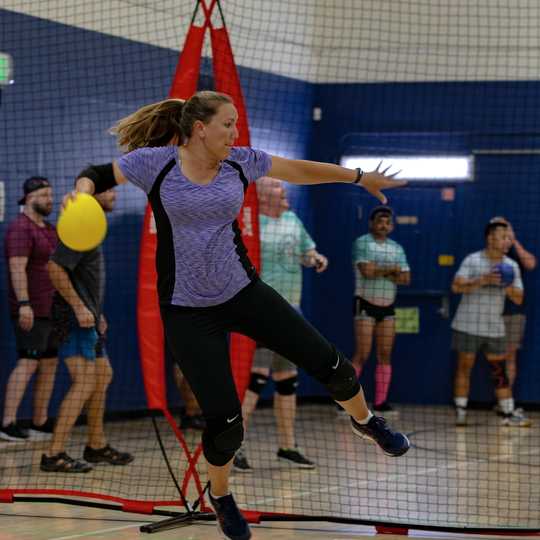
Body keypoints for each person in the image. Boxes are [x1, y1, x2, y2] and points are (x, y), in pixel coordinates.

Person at [66, 91, 409, 540]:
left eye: (236, 124)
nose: (235, 132)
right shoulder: (157, 163)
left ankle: (366, 421)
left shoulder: (241, 162)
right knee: (226, 424)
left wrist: (359, 177)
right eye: (227, 124)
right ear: (200, 128)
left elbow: (299, 170)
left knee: (334, 367)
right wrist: (83, 193)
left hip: (242, 293)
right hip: (187, 311)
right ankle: (222, 497)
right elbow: (95, 174)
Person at [233, 177, 328, 473]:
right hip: (262, 311)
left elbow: (305, 251)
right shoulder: (251, 225)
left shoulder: (293, 220)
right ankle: (234, 446)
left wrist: (315, 258)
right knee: (256, 378)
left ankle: (287, 446)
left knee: (287, 379)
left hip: (291, 310)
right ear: (261, 195)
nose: (284, 190)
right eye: (276, 187)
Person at [40, 189, 134, 472]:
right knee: (85, 382)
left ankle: (96, 445)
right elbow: (55, 268)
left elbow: (78, 275)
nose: (115, 195)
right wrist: (81, 308)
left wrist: (95, 311)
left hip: (88, 317)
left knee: (103, 375)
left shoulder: (91, 225)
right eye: (109, 189)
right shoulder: (80, 222)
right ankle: (53, 454)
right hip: (73, 319)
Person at [451, 221, 531, 428]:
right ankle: (461, 411)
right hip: (467, 324)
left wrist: (505, 284)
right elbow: (456, 286)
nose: (507, 242)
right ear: (490, 238)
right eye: (503, 237)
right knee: (464, 367)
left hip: (494, 326)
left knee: (499, 371)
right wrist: (483, 279)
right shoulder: (473, 260)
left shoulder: (511, 266)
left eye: (508, 238)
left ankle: (507, 412)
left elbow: (519, 298)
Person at [1, 177, 58, 442]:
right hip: (31, 309)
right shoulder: (20, 229)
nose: (50, 199)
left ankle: (39, 421)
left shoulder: (49, 228)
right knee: (28, 362)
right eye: (45, 195)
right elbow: (17, 269)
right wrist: (24, 304)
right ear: (29, 197)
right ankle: (8, 423)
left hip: (52, 310)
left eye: (51, 194)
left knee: (49, 364)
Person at [350, 206, 410, 415]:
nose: (383, 225)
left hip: (388, 307)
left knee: (385, 354)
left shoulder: (397, 248)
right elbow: (366, 272)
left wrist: (381, 270)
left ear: (391, 226)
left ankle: (380, 402)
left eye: (387, 222)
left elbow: (405, 278)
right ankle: (344, 401)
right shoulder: (362, 243)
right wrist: (392, 270)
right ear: (372, 223)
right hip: (365, 304)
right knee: (362, 354)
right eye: (379, 221)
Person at [490, 217, 536, 393]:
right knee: (494, 357)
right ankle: (501, 397)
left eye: (505, 229)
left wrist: (514, 240)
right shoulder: (488, 253)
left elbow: (531, 264)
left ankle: (506, 400)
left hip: (514, 312)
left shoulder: (516, 252)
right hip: (491, 312)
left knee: (510, 356)